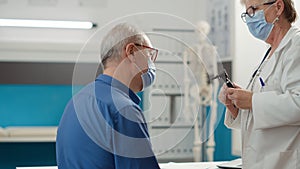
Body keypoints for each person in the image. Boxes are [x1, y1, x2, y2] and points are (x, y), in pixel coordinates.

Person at [56, 23, 160, 169]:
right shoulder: (124, 110)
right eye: (148, 55)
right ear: (131, 52)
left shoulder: (76, 102)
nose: (151, 64)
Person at [219, 0, 300, 168]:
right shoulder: (269, 54)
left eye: (254, 10)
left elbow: (298, 103)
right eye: (247, 13)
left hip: (285, 162)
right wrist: (237, 107)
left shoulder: (296, 45)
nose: (250, 18)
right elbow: (261, 114)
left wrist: (252, 101)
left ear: (278, 7)